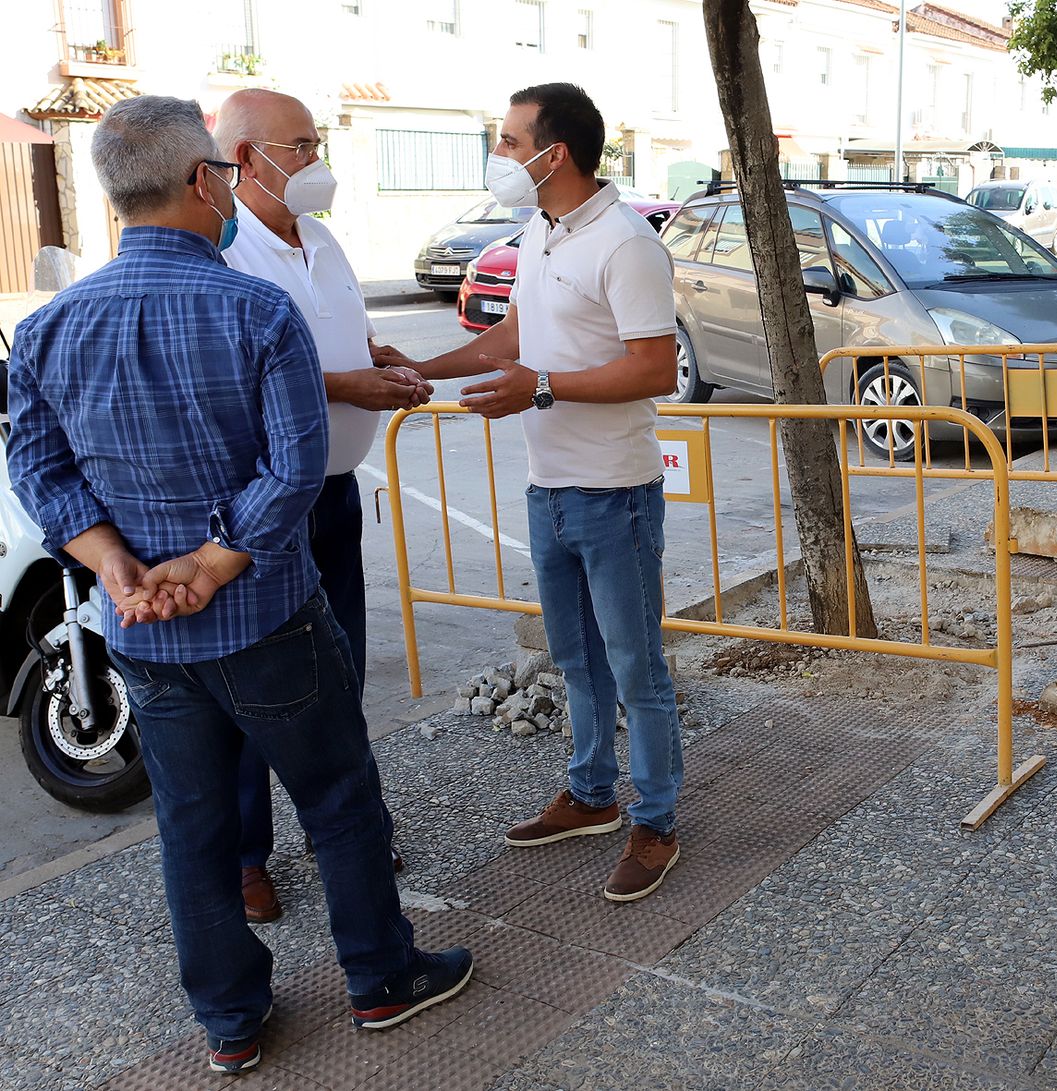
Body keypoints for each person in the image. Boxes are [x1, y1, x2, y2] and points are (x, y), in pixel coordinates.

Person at [6, 95, 470, 1075]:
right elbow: (297, 465)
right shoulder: (255, 308)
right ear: (198, 181)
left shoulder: (50, 327)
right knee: (339, 798)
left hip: (144, 630)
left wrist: (116, 565)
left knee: (191, 820)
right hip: (266, 616)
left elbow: (40, 471)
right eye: (218, 171)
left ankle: (230, 1018)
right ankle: (380, 979)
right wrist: (215, 561)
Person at [398, 83, 684, 903]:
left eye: (511, 140)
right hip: (548, 488)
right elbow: (513, 336)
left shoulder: (627, 244)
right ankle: (592, 796)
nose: (502, 155)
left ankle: (656, 819)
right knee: (577, 661)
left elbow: (654, 368)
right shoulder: (540, 227)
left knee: (637, 667)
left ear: (555, 153)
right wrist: (420, 369)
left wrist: (544, 389)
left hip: (615, 494)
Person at [212, 88, 424, 924]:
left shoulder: (324, 239)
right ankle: (243, 858)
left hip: (335, 494)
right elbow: (242, 376)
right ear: (243, 160)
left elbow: (343, 337)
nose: (316, 161)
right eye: (298, 146)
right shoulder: (227, 250)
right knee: (254, 685)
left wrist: (382, 360)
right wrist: (351, 383)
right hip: (269, 504)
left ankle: (347, 827)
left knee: (340, 673)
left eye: (315, 141)